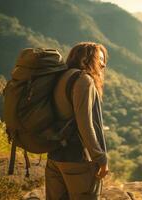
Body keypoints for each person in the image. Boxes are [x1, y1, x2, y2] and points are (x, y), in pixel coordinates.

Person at [45, 42, 109, 200]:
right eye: (100, 59)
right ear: (88, 60)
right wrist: (100, 158)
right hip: (77, 159)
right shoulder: (83, 80)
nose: (103, 64)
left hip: (54, 156)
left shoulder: (61, 77)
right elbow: (85, 124)